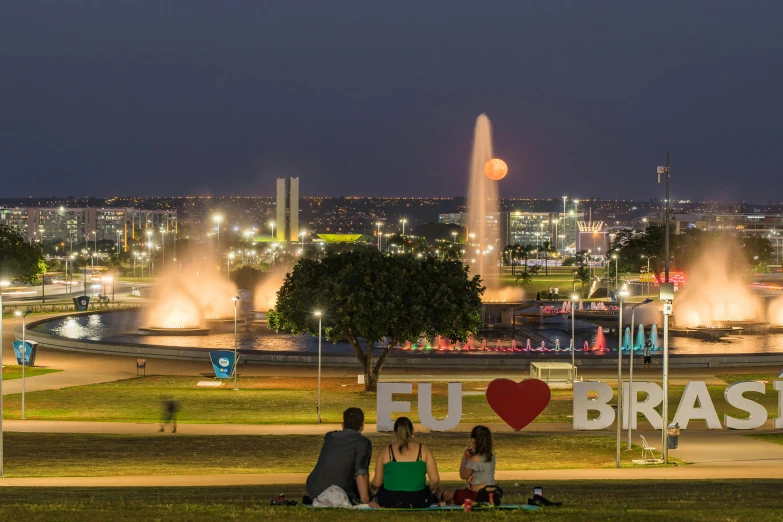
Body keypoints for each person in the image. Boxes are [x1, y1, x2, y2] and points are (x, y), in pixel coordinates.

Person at [306, 407, 374, 506]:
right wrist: (366, 502)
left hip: (314, 488)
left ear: (342, 425)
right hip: (338, 492)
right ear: (362, 427)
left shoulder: (330, 436)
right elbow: (361, 473)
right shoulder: (363, 443)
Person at [371, 417, 441, 508]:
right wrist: (431, 491)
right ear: (412, 432)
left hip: (389, 500)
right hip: (418, 499)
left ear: (395, 433)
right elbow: (435, 480)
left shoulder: (385, 451)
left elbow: (377, 483)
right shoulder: (424, 450)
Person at [446, 425, 497, 506]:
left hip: (477, 495)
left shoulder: (474, 459)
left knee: (445, 495)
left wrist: (465, 457)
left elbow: (463, 475)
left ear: (475, 441)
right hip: (492, 493)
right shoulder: (491, 456)